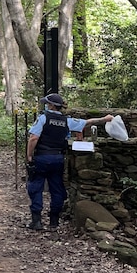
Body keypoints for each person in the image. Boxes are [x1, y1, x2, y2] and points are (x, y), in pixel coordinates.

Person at [26, 93, 113, 231]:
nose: (46, 105)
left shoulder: (43, 118)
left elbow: (33, 138)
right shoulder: (67, 121)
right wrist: (105, 118)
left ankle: (36, 221)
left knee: (36, 187)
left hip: (41, 158)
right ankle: (54, 221)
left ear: (52, 105)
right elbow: (88, 122)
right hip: (58, 159)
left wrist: (29, 156)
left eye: (48, 103)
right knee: (57, 189)